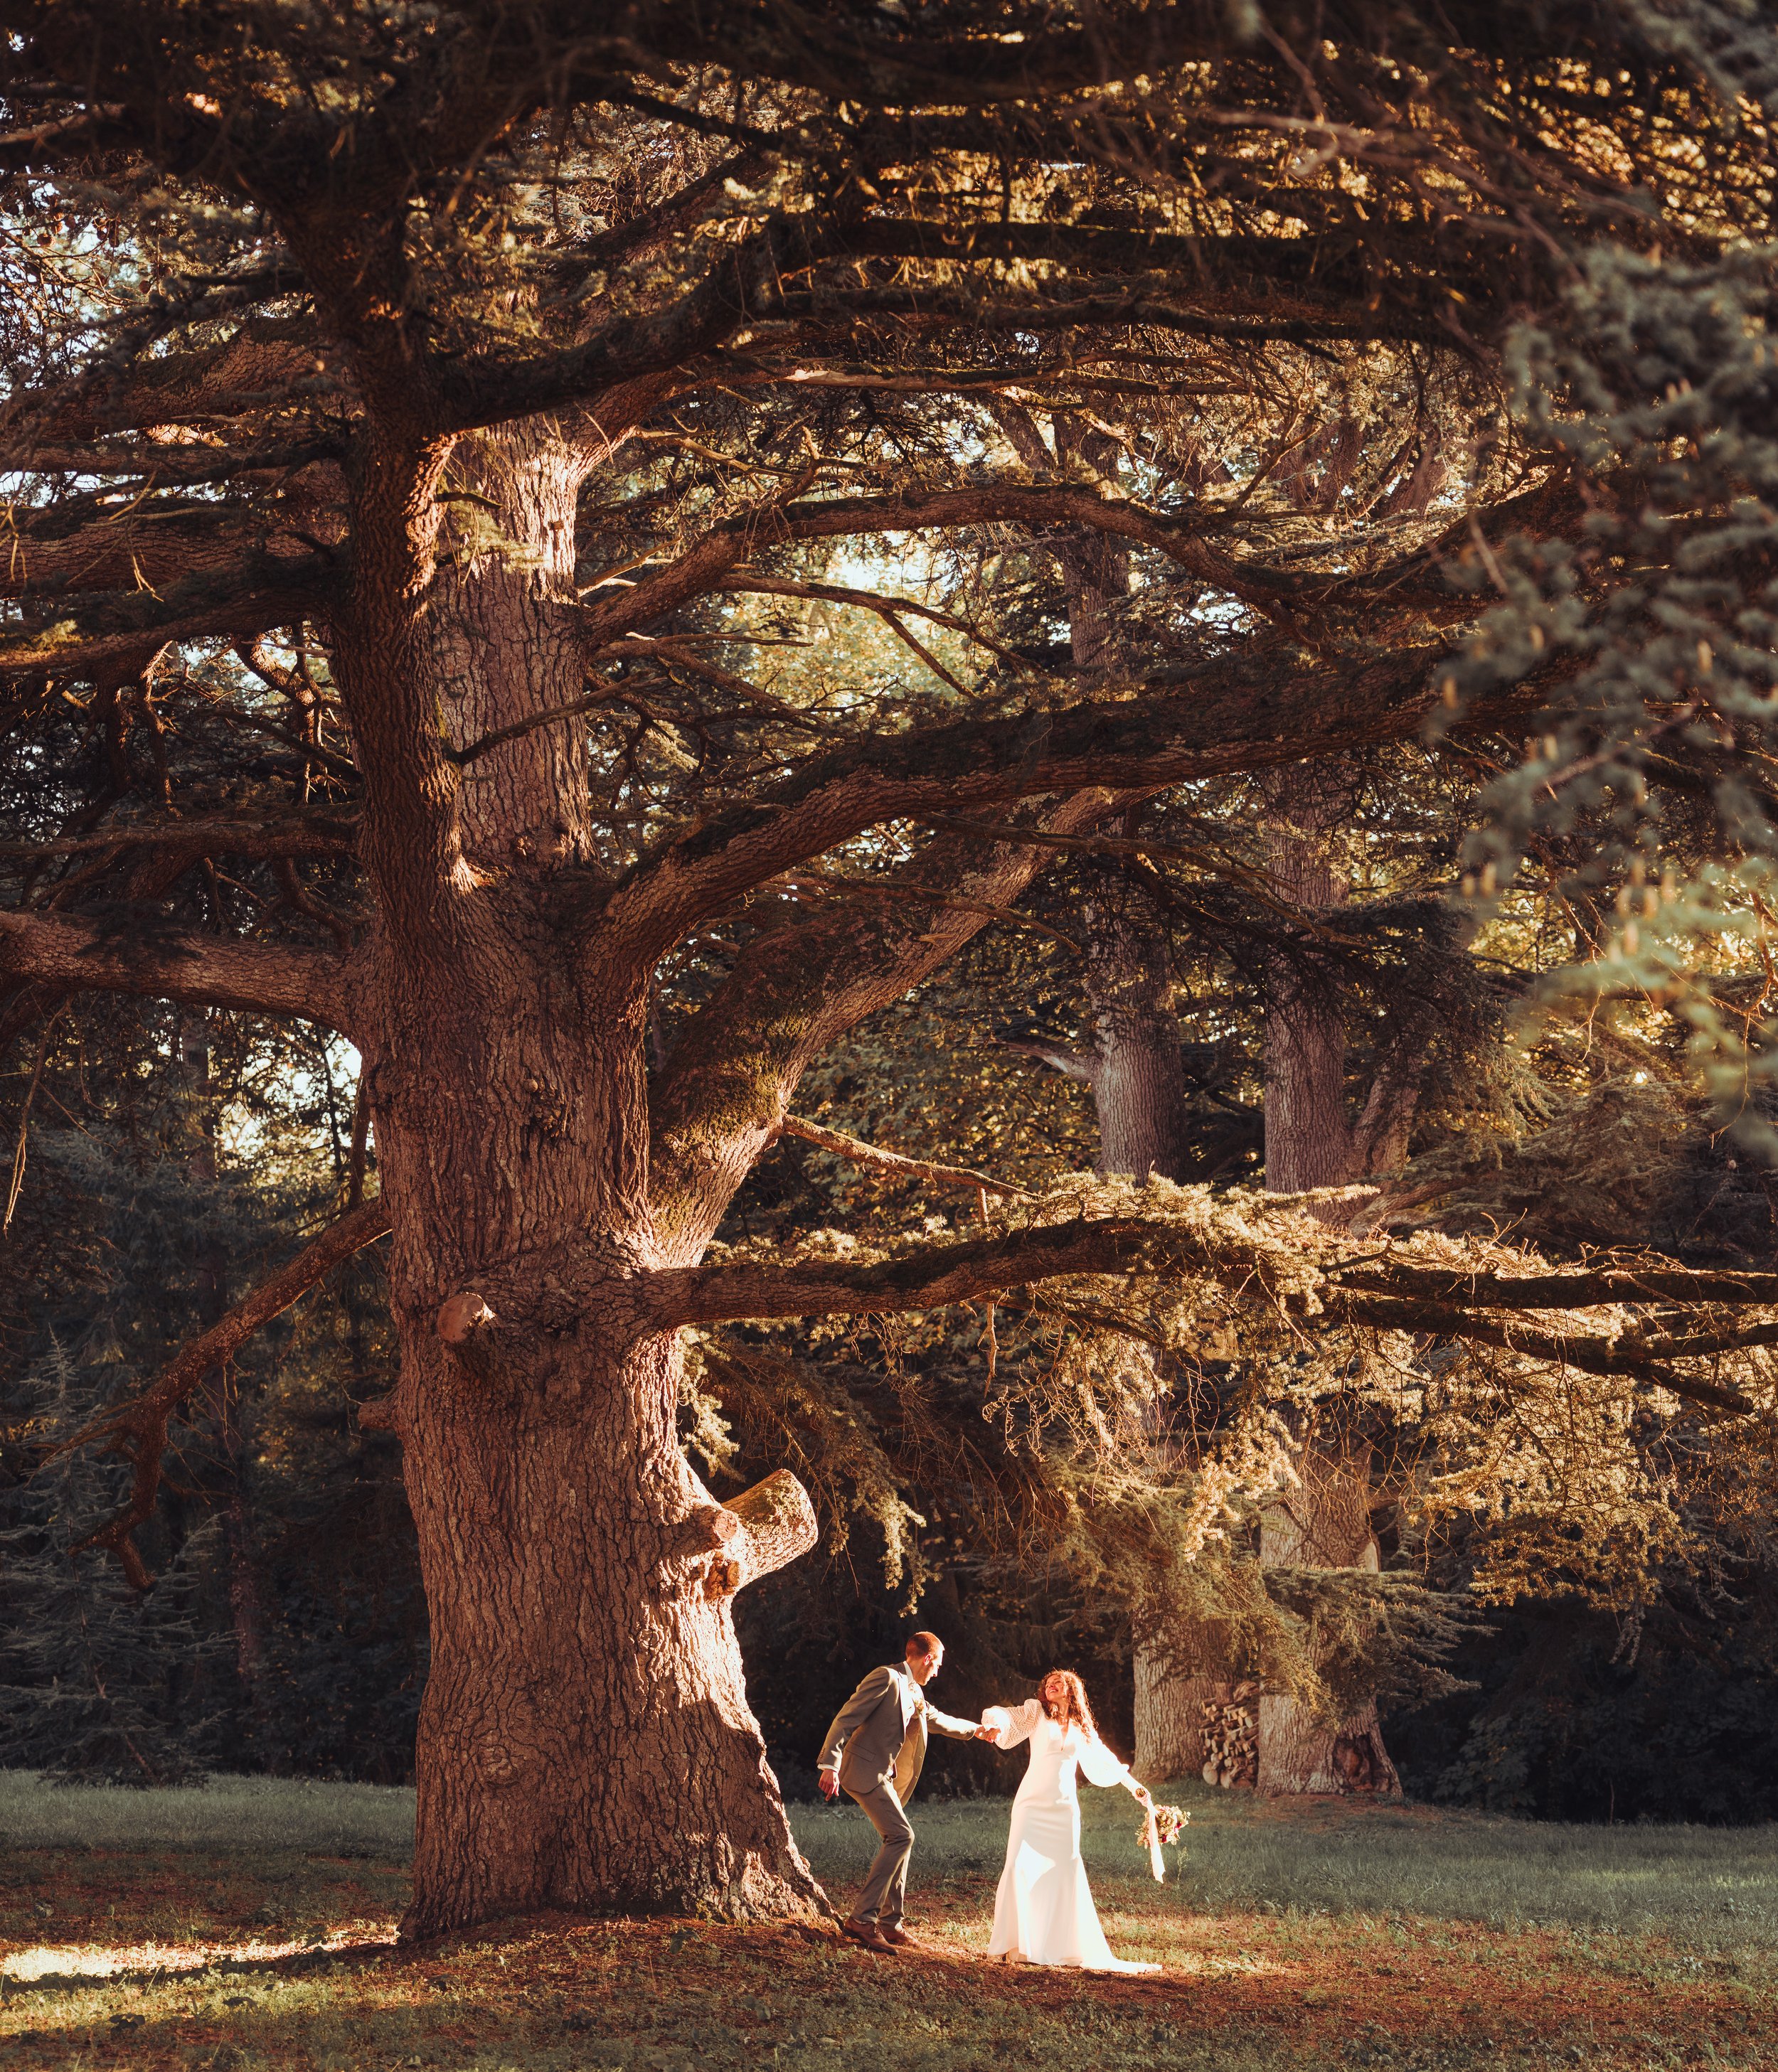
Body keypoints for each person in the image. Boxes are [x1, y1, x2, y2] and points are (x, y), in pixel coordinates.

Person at [816, 1630, 992, 1953]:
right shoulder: (886, 1677)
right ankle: (862, 1920)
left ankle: (891, 1924)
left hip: (886, 1775)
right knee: (902, 1836)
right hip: (865, 1771)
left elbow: (936, 1719)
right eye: (937, 1665)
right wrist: (830, 1764)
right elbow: (846, 1718)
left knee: (899, 1838)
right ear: (927, 1658)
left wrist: (976, 1730)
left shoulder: (914, 1690)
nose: (937, 1672)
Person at [979, 1668, 1159, 1973]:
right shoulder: (1036, 1713)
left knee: (1063, 1873)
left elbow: (1107, 1761)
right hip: (1031, 1804)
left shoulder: (1081, 1727)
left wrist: (1136, 1788)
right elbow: (1005, 1715)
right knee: (1017, 1865)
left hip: (1064, 1809)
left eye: (1058, 1683)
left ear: (1071, 1691)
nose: (1051, 1686)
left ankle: (1059, 1946)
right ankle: (1016, 1945)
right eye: (1048, 1683)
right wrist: (995, 1724)